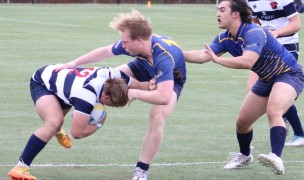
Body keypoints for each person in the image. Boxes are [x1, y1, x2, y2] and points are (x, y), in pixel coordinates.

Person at [53, 10, 186, 180]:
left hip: (171, 81)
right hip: (142, 66)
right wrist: (74, 63)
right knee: (103, 79)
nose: (122, 46)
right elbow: (105, 52)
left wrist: (135, 92)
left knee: (157, 116)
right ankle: (58, 123)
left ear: (139, 40)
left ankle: (141, 169)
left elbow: (164, 97)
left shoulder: (163, 57)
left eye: (125, 42)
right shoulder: (136, 44)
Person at [184, 0, 304, 175]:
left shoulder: (253, 32)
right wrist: (176, 52)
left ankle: (276, 156)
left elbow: (247, 61)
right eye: (218, 10)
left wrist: (219, 60)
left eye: (222, 10)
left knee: (274, 109)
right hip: (266, 78)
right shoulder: (225, 38)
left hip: (289, 73)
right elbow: (203, 56)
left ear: (235, 14)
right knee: (242, 122)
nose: (217, 13)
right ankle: (245, 155)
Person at [7, 64, 140, 180]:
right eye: (111, 104)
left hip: (65, 87)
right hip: (43, 82)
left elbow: (140, 85)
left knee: (56, 123)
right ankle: (20, 168)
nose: (108, 107)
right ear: (106, 96)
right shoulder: (86, 96)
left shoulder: (114, 74)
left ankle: (57, 130)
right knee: (54, 122)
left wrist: (156, 85)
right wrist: (100, 123)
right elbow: (77, 133)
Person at [246, 0, 304, 147]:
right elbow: (255, 23)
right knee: (252, 88)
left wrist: (277, 32)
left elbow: (296, 24)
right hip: (266, 47)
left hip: (287, 46)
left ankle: (298, 132)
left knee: (277, 91)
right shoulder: (251, 1)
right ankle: (287, 121)